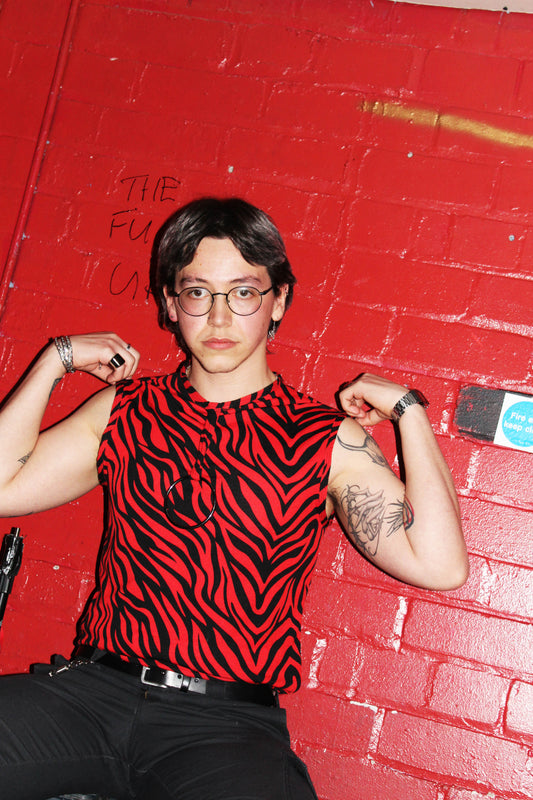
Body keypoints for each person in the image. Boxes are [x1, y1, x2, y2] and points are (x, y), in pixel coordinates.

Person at [0, 197, 468, 800]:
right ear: (171, 304)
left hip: (223, 724)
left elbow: (440, 563)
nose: (219, 317)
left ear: (279, 301)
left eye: (243, 292)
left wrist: (407, 412)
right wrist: (55, 360)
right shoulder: (128, 411)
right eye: (198, 293)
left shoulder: (324, 439)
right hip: (93, 693)